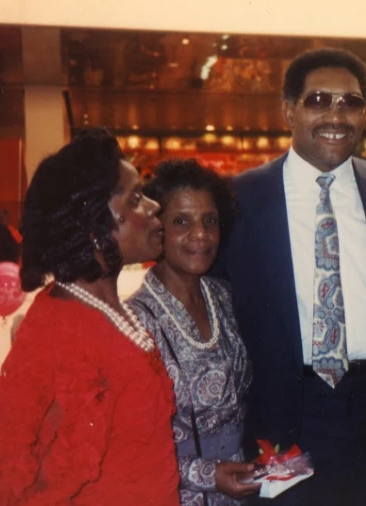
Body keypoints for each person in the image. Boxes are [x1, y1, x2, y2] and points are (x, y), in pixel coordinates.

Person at [211, 47, 366, 505]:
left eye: (350, 102)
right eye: (318, 100)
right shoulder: (238, 200)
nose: (336, 114)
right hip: (285, 415)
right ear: (288, 110)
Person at [0, 129, 179, 504]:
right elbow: (29, 480)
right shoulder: (63, 330)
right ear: (94, 229)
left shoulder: (103, 308)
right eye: (135, 199)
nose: (153, 207)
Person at [128, 159, 260, 506]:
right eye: (181, 222)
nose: (200, 234)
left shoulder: (227, 298)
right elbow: (127, 447)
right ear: (158, 229)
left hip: (241, 493)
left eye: (210, 221)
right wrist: (206, 474)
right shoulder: (134, 321)